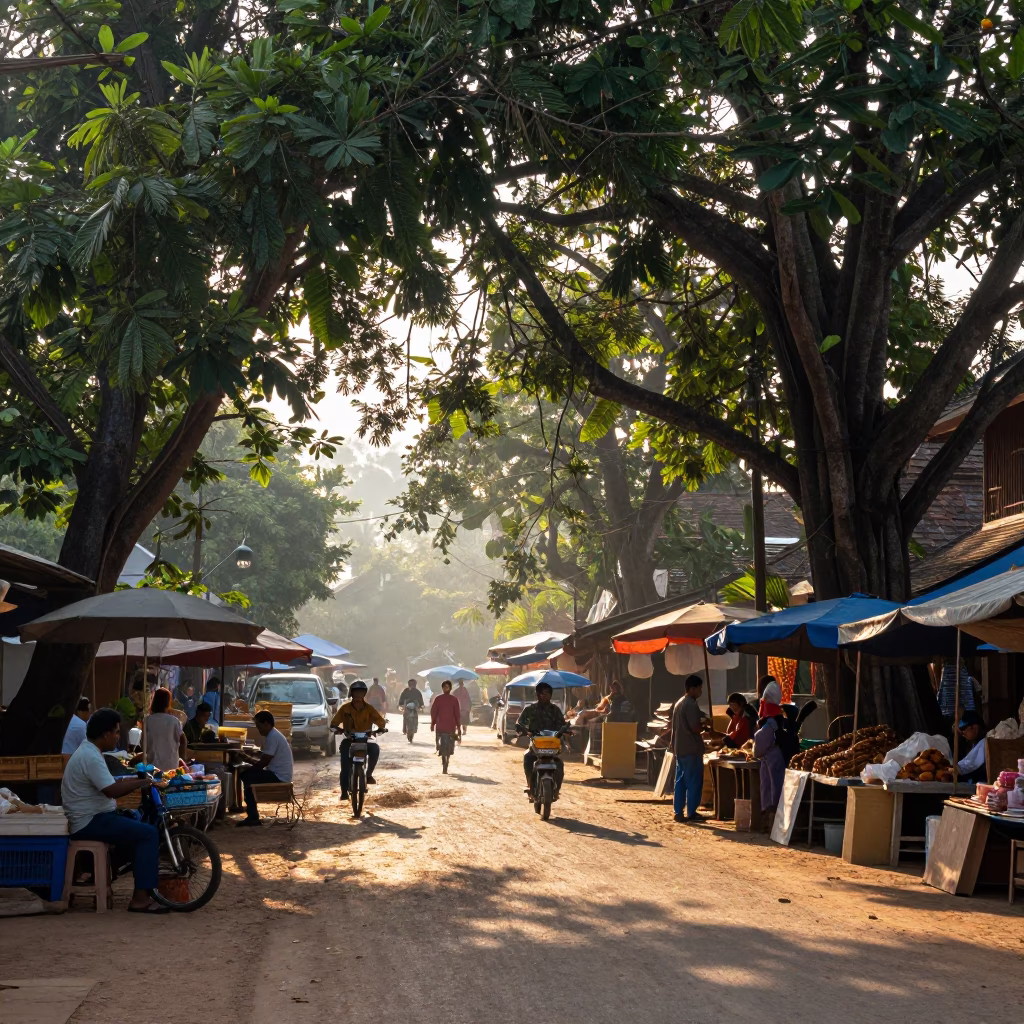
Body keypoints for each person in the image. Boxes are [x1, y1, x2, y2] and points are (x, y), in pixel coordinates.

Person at [61, 708, 168, 913]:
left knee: (137, 824)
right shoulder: (90, 756)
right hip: (89, 821)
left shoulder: (91, 752)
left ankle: (115, 874)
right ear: (105, 734)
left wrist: (132, 780)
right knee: (148, 834)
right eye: (116, 732)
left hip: (95, 816)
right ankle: (140, 899)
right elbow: (111, 790)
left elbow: (107, 783)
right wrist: (141, 782)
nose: (118, 737)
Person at [236, 711, 294, 826]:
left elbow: (263, 763)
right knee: (248, 774)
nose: (258, 730)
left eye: (259, 726)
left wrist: (247, 759)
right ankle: (251, 812)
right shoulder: (273, 735)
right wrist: (251, 755)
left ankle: (252, 815)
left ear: (267, 724)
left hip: (279, 776)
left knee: (246, 775)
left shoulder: (272, 736)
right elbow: (265, 756)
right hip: (279, 773)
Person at [331, 680, 387, 799]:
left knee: (375, 749)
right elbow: (334, 723)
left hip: (365, 739)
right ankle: (344, 791)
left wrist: (380, 729)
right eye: (356, 693)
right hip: (349, 739)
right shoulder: (345, 708)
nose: (358, 696)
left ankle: (369, 774)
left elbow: (380, 721)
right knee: (345, 765)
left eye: (361, 693)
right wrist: (338, 729)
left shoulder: (369, 708)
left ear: (364, 694)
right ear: (352, 693)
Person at [516, 682, 569, 793]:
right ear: (537, 694)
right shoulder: (530, 709)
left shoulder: (555, 710)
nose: (544, 696)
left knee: (559, 763)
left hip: (553, 743)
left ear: (551, 694)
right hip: (536, 742)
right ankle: (531, 785)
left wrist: (565, 731)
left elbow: (562, 724)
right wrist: (523, 730)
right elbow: (520, 722)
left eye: (547, 693)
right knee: (528, 758)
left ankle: (556, 789)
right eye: (542, 693)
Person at [669, 675, 707, 823]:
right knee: (693, 781)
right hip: (691, 748)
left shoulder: (679, 703)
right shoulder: (690, 704)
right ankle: (692, 812)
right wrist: (705, 725)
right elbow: (695, 727)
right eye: (699, 689)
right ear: (693, 689)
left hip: (680, 748)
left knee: (680, 781)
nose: (700, 692)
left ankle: (678, 811)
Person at [752, 678, 787, 817]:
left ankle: (770, 821)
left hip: (771, 760)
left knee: (772, 790)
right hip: (775, 759)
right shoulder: (780, 720)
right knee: (773, 788)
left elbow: (758, 748)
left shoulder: (769, 724)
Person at [145, 687, 186, 772]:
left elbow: (143, 744)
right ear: (168, 702)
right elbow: (183, 740)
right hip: (172, 766)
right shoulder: (174, 721)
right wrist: (181, 757)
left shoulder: (148, 720)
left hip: (152, 767)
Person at [956, 710, 989, 783]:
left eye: (964, 731)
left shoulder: (984, 743)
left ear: (974, 727)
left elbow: (970, 764)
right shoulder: (975, 743)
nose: (963, 734)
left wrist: (956, 769)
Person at [431, 679, 462, 755]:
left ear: (450, 688)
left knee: (447, 737)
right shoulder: (439, 699)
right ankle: (438, 747)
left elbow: (457, 714)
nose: (446, 689)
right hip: (443, 726)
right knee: (440, 737)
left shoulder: (454, 700)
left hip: (449, 726)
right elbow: (434, 712)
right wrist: (432, 723)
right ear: (442, 688)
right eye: (444, 687)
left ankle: (440, 748)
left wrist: (458, 727)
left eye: (447, 687)